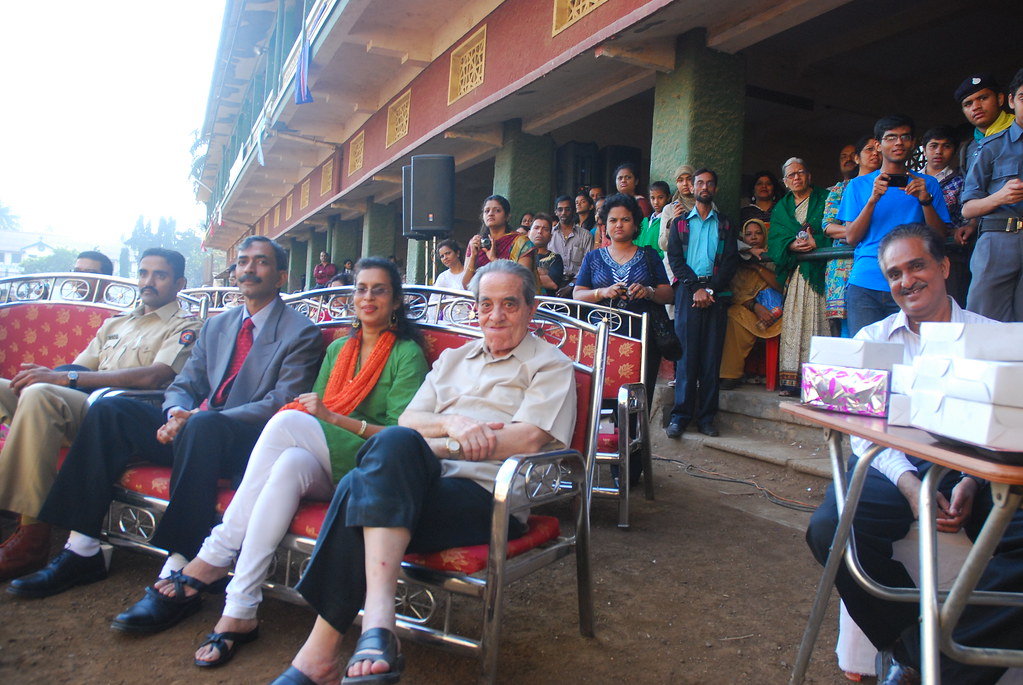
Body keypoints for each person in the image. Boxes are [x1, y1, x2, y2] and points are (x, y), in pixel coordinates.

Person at [267, 260, 577, 685]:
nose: (496, 316)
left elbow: (526, 439)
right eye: (486, 305)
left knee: (361, 485)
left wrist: (441, 442)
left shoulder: (550, 365)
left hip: (488, 495)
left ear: (530, 308)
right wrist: (453, 425)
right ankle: (377, 626)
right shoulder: (454, 359)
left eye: (509, 304)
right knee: (389, 452)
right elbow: (408, 422)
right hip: (420, 480)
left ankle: (319, 653)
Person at [116, 258, 429, 668]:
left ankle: (215, 552)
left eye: (379, 290)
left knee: (287, 423)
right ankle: (240, 609)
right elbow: (311, 410)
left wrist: (334, 419)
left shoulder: (407, 354)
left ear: (395, 302)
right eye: (361, 289)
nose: (367, 298)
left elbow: (398, 437)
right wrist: (319, 417)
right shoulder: (337, 349)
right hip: (323, 455)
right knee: (286, 466)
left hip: (371, 468)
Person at [9, 236, 323, 601]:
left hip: (249, 443)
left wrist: (196, 419)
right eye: (242, 261)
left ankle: (179, 568)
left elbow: (281, 402)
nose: (249, 269)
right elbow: (186, 382)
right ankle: (81, 550)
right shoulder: (219, 326)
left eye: (261, 262)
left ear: (281, 276)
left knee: (205, 424)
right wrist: (175, 412)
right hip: (196, 431)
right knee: (110, 411)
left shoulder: (300, 332)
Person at [804, 224, 1007, 685]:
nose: (906, 281)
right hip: (895, 465)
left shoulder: (994, 339)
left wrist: (973, 478)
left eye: (917, 266)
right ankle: (911, 647)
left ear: (944, 267)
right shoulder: (872, 339)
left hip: (977, 467)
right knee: (828, 528)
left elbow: (1007, 428)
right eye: (894, 273)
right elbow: (862, 435)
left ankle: (944, 661)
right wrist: (911, 486)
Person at [0, 248, 199, 581]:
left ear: (179, 282)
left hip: (123, 414)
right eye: (143, 273)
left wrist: (64, 378)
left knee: (39, 395)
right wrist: (49, 373)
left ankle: (32, 537)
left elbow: (156, 376)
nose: (148, 282)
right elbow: (79, 367)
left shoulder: (186, 326)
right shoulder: (117, 322)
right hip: (84, 405)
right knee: (17, 387)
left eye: (159, 275)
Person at [837, 114, 951, 335]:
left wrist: (925, 200)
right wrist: (872, 200)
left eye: (904, 137)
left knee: (918, 352)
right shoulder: (858, 186)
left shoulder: (929, 184)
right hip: (867, 282)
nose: (898, 143)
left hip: (914, 282)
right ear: (878, 145)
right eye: (891, 137)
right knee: (869, 359)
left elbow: (939, 236)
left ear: (912, 142)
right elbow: (852, 237)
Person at [575, 193, 673, 411]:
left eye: (625, 219)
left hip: (643, 338)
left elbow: (668, 294)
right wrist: (601, 292)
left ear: (635, 224)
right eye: (613, 220)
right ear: (605, 225)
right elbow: (578, 294)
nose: (619, 225)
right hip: (603, 338)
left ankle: (635, 442)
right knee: (602, 394)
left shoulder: (649, 256)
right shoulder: (593, 258)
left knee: (638, 396)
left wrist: (648, 291)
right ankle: (605, 442)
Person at [664, 169, 739, 438]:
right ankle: (680, 417)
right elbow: (675, 260)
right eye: (699, 183)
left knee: (710, 358)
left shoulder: (726, 224)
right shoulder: (681, 224)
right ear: (692, 188)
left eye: (709, 183)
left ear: (715, 189)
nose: (704, 187)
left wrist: (709, 289)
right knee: (686, 356)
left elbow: (730, 261)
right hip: (688, 292)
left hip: (716, 293)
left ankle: (707, 418)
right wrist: (696, 288)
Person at [961, 67, 1023, 323]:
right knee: (983, 322)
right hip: (999, 240)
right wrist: (1000, 197)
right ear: (1010, 100)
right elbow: (967, 208)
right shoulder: (992, 145)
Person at [768, 158, 832, 396]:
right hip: (795, 276)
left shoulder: (825, 199)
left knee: (819, 322)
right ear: (785, 182)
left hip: (819, 275)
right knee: (794, 323)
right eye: (791, 175)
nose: (796, 178)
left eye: (800, 173)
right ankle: (791, 381)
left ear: (809, 176)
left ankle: (818, 384)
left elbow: (836, 229)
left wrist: (818, 243)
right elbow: (774, 239)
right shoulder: (781, 208)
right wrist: (790, 245)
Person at [823, 136, 882, 336]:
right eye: (868, 150)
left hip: (876, 260)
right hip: (844, 262)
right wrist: (857, 233)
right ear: (858, 158)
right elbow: (828, 226)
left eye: (878, 150)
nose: (875, 154)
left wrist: (855, 234)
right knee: (849, 326)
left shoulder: (892, 185)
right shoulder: (841, 188)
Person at [719, 219, 782, 389]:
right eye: (748, 234)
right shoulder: (738, 260)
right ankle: (730, 374)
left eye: (758, 233)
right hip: (750, 309)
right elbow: (737, 292)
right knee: (731, 314)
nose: (753, 237)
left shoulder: (774, 255)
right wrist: (755, 306)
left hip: (776, 313)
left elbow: (782, 286)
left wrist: (758, 268)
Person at [462, 195, 535, 288]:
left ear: (507, 216)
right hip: (481, 298)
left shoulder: (521, 242)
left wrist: (494, 259)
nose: (490, 214)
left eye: (497, 210)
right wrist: (473, 256)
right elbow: (466, 285)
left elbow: (523, 281)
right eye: (487, 211)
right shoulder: (476, 242)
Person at [955, 73, 1014, 175]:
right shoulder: (967, 149)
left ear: (1000, 99)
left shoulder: (1019, 130)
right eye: (968, 104)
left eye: (983, 98)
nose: (976, 107)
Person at [549, 194, 591, 292]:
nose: (564, 213)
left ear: (573, 210)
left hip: (577, 285)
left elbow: (587, 264)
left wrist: (572, 285)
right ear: (556, 212)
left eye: (567, 209)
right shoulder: (549, 234)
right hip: (552, 284)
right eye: (560, 209)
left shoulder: (585, 235)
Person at [529, 214, 564, 296]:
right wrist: (540, 272)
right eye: (536, 228)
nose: (540, 231)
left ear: (550, 237)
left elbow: (552, 283)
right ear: (529, 233)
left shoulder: (555, 258)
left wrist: (523, 273)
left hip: (545, 306)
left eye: (545, 229)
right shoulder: (520, 255)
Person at [636, 180, 671, 257]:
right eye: (652, 198)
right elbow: (635, 243)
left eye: (660, 198)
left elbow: (665, 250)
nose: (656, 202)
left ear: (668, 198)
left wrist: (652, 259)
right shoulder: (644, 222)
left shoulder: (668, 222)